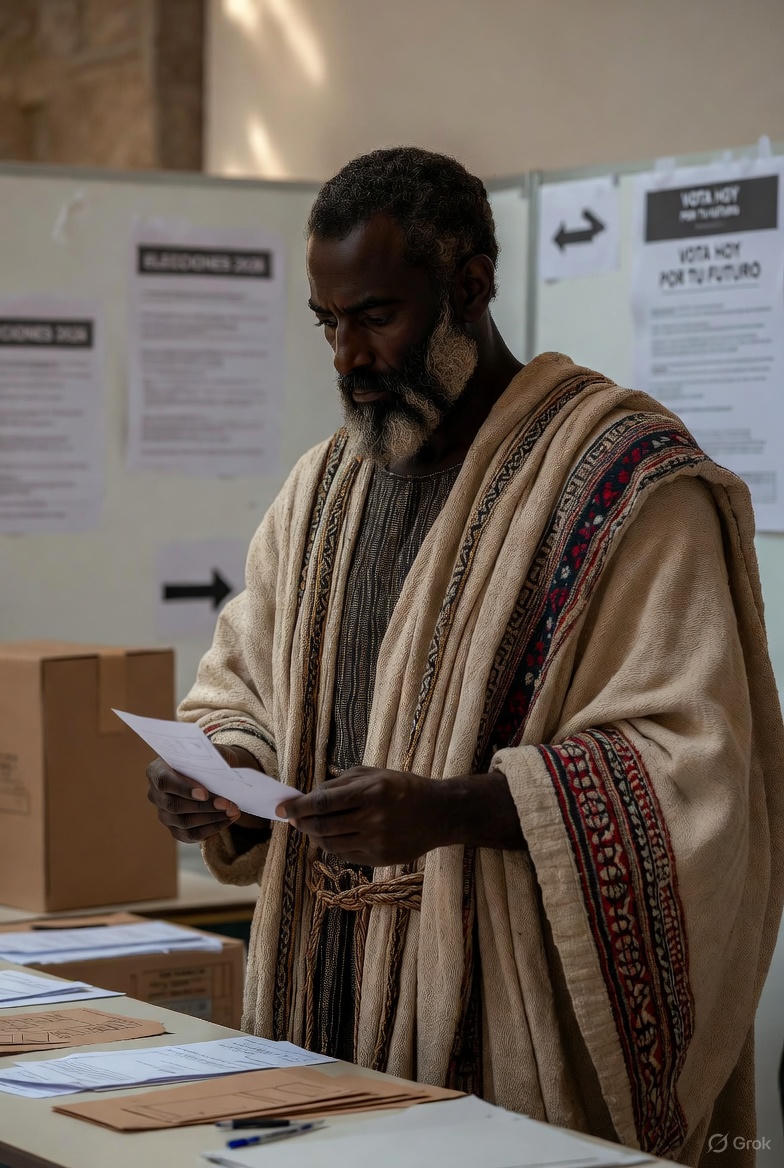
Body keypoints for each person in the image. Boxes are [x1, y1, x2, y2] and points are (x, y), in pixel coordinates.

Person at [146, 147, 784, 1166]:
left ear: (470, 285)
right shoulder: (323, 490)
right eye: (328, 323)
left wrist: (449, 809)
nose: (347, 356)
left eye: (376, 316)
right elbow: (241, 683)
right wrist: (221, 774)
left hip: (509, 1012)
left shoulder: (622, 484)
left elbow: (692, 771)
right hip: (319, 996)